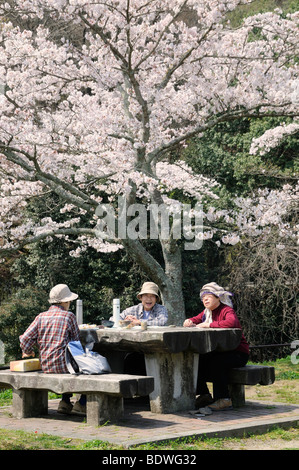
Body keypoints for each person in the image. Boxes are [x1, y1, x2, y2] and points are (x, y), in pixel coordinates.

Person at [19, 284, 86, 415]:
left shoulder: (41, 316)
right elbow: (76, 345)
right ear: (65, 301)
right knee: (86, 366)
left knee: (66, 362)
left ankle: (65, 402)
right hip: (64, 367)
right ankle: (82, 403)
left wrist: (27, 351)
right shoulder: (69, 316)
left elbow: (24, 338)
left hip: (46, 366)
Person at [183, 282, 249, 411]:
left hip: (238, 353)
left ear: (218, 297)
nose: (205, 299)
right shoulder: (206, 313)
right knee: (198, 360)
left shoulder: (226, 310)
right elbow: (195, 319)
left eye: (208, 296)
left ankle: (224, 399)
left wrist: (208, 325)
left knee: (216, 363)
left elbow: (232, 322)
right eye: (203, 298)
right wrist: (189, 321)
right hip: (220, 351)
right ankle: (204, 395)